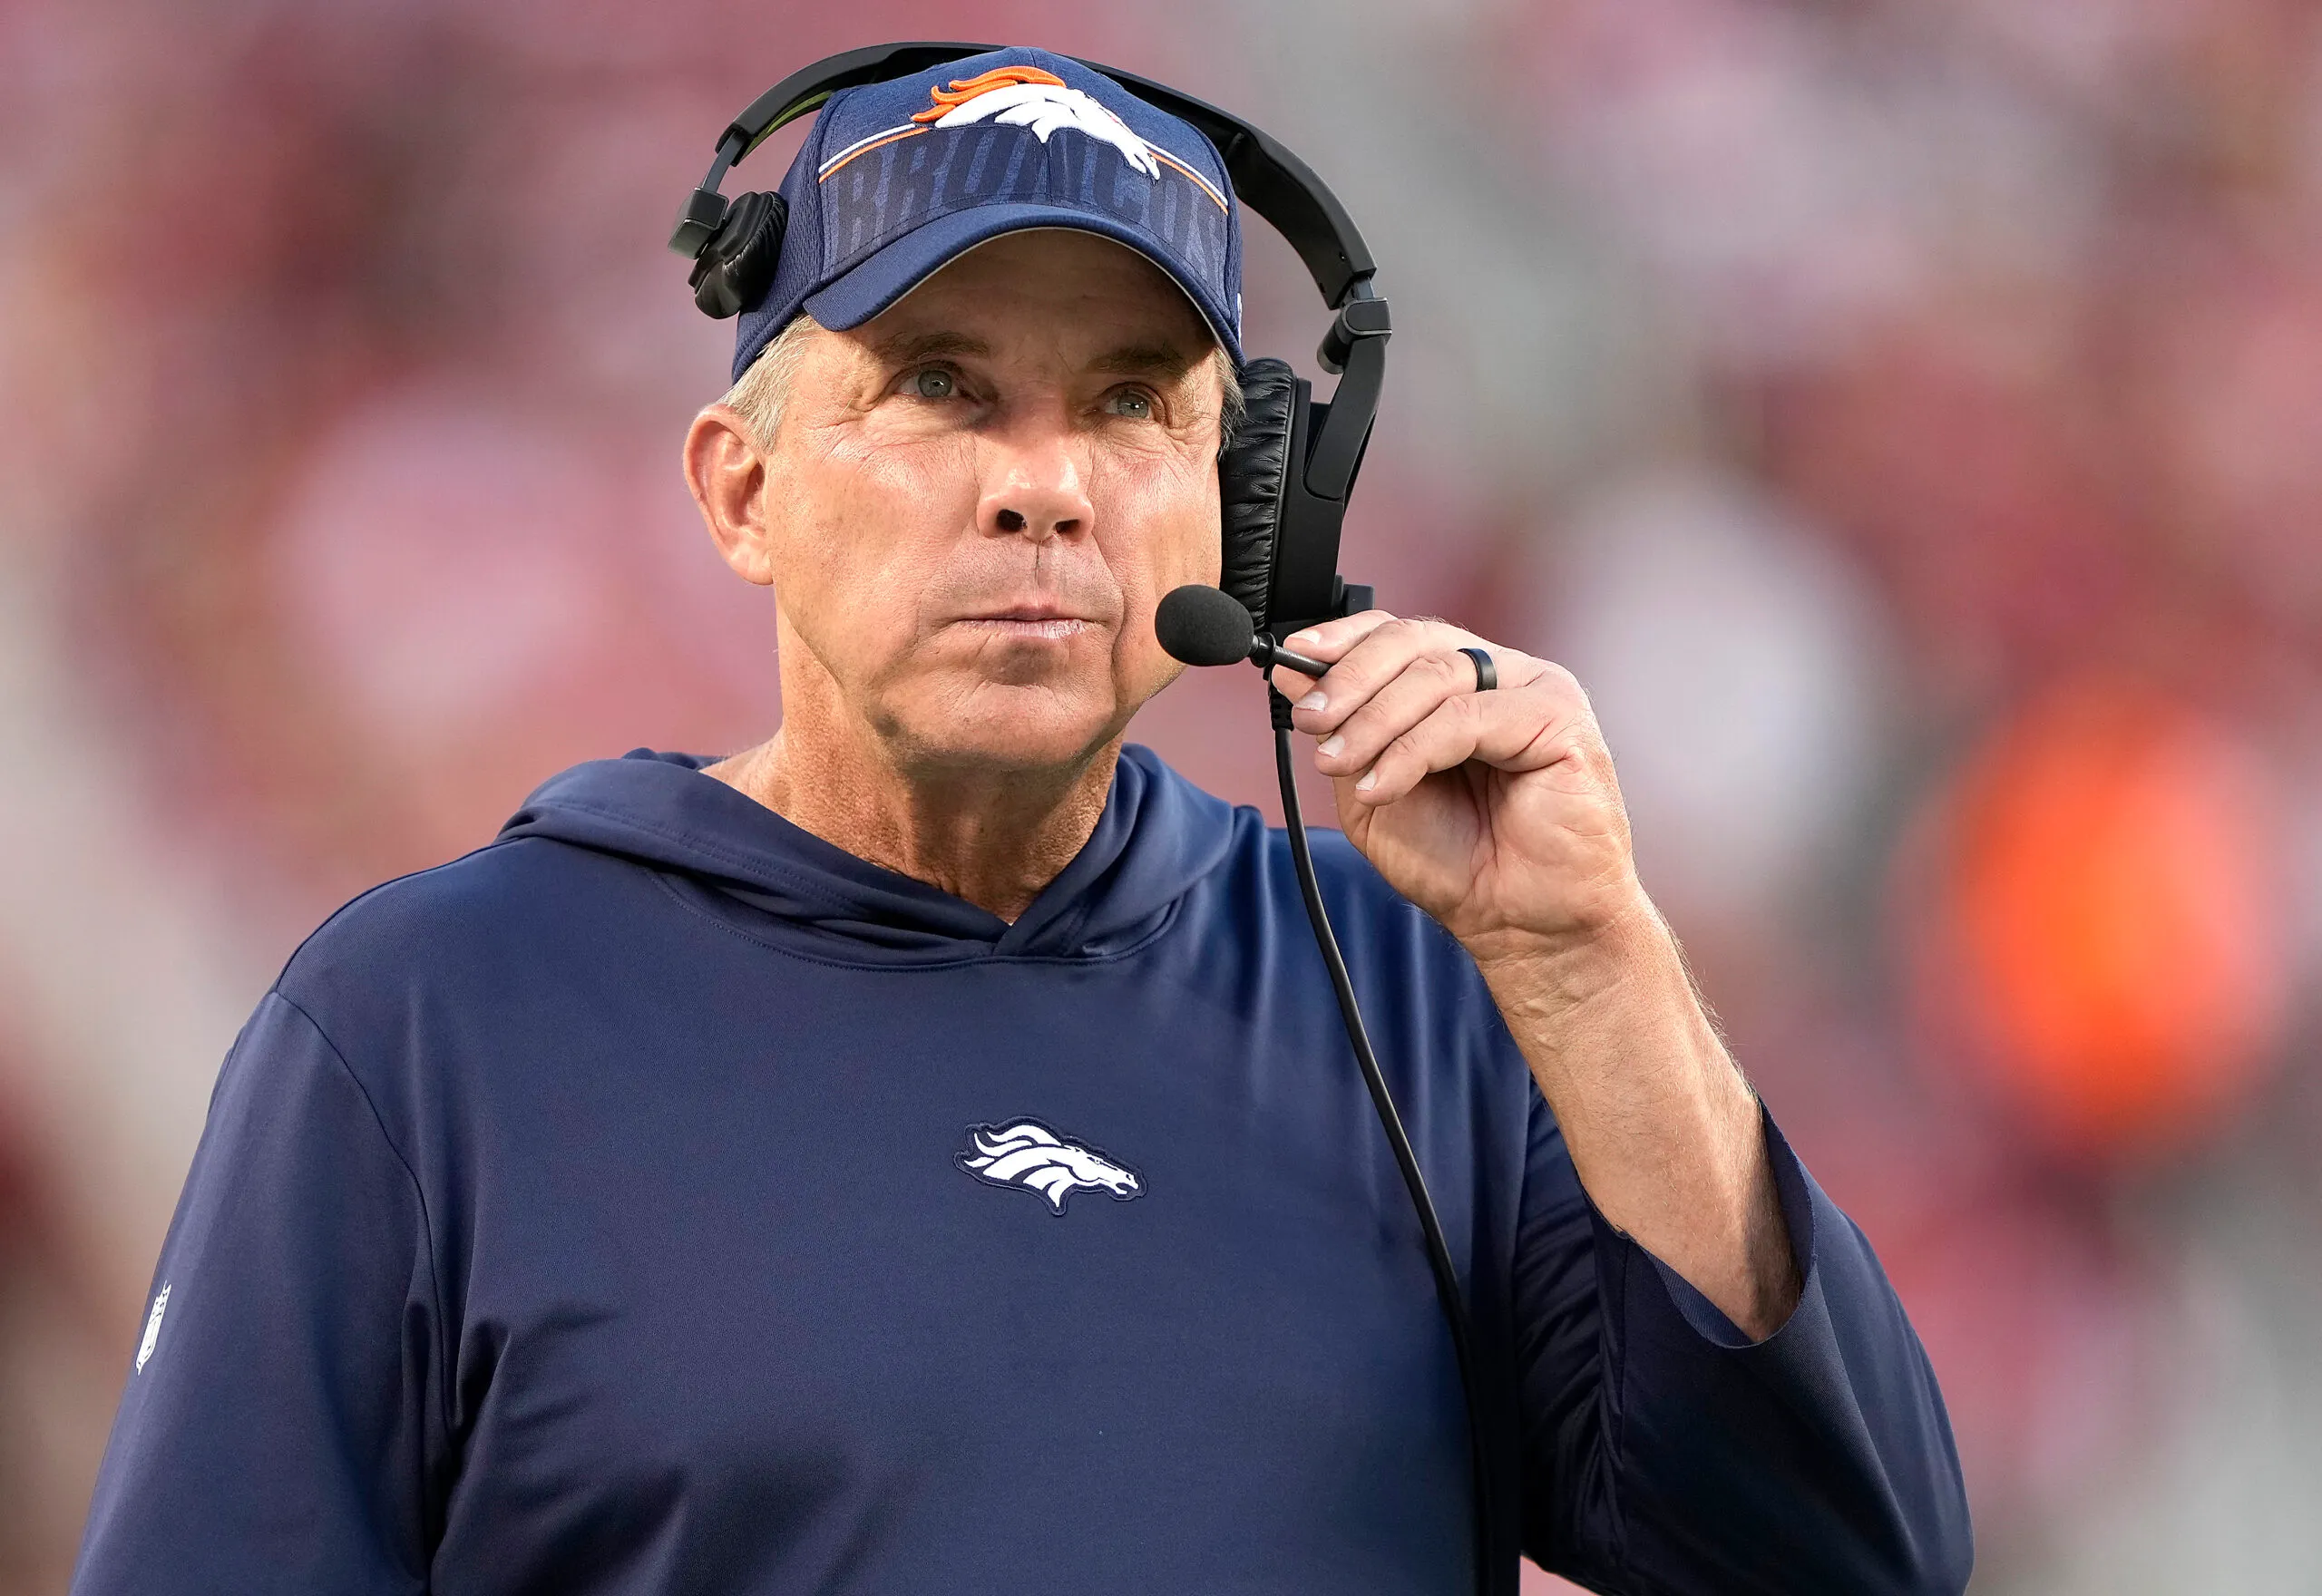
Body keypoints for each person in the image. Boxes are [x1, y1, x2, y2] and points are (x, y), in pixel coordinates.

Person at [70, 46, 1970, 1595]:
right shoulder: (426, 1021)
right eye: (943, 391)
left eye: (1130, 402)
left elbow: (1848, 1558)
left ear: (1240, 509)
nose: (1042, 489)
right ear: (740, 491)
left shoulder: (1422, 984)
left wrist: (1589, 957)